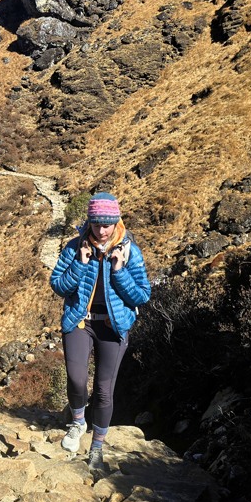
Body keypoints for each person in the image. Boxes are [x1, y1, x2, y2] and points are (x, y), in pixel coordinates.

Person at [49, 192, 151, 469]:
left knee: (104, 391)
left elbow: (142, 296)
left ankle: (97, 448)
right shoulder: (74, 248)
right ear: (89, 222)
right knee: (76, 378)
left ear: (116, 222)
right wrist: (81, 265)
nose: (102, 230)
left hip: (112, 326)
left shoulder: (129, 252)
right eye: (97, 224)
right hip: (80, 322)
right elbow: (58, 285)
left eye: (107, 224)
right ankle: (78, 423)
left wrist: (119, 270)